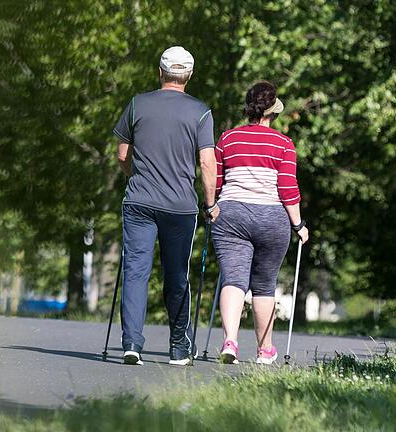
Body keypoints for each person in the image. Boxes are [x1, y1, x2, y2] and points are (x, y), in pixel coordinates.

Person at [113, 46, 218, 366]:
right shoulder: (200, 112)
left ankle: (132, 343)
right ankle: (178, 346)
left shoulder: (136, 104)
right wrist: (210, 203)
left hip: (140, 202)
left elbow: (121, 155)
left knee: (135, 272)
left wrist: (138, 176)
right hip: (180, 207)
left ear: (160, 73)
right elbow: (207, 163)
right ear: (189, 75)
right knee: (176, 276)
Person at [211, 80, 309, 365]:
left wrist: (211, 206)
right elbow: (288, 188)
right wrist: (299, 225)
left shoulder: (227, 139)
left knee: (233, 278)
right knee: (264, 285)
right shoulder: (284, 144)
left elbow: (216, 181)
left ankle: (230, 340)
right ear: (272, 112)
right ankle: (265, 349)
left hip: (232, 214)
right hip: (272, 217)